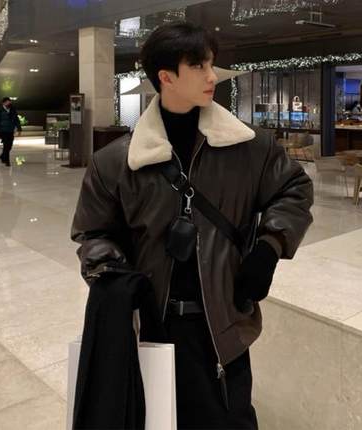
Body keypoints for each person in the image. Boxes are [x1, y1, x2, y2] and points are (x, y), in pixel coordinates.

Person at [71, 22, 313, 429]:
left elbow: (294, 189)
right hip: (151, 327)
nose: (212, 76)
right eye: (198, 66)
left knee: (231, 419)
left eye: (211, 64)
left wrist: (269, 247)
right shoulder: (115, 162)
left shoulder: (249, 147)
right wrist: (118, 278)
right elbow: (92, 233)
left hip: (223, 326)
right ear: (166, 77)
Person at [0, 97, 22, 166]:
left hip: (10, 131)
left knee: (10, 146)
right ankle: (7, 161)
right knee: (6, 145)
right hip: (2, 130)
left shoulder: (13, 110)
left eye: (10, 102)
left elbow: (17, 120)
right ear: (3, 103)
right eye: (7, 102)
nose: (9, 103)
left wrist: (19, 129)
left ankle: (3, 156)